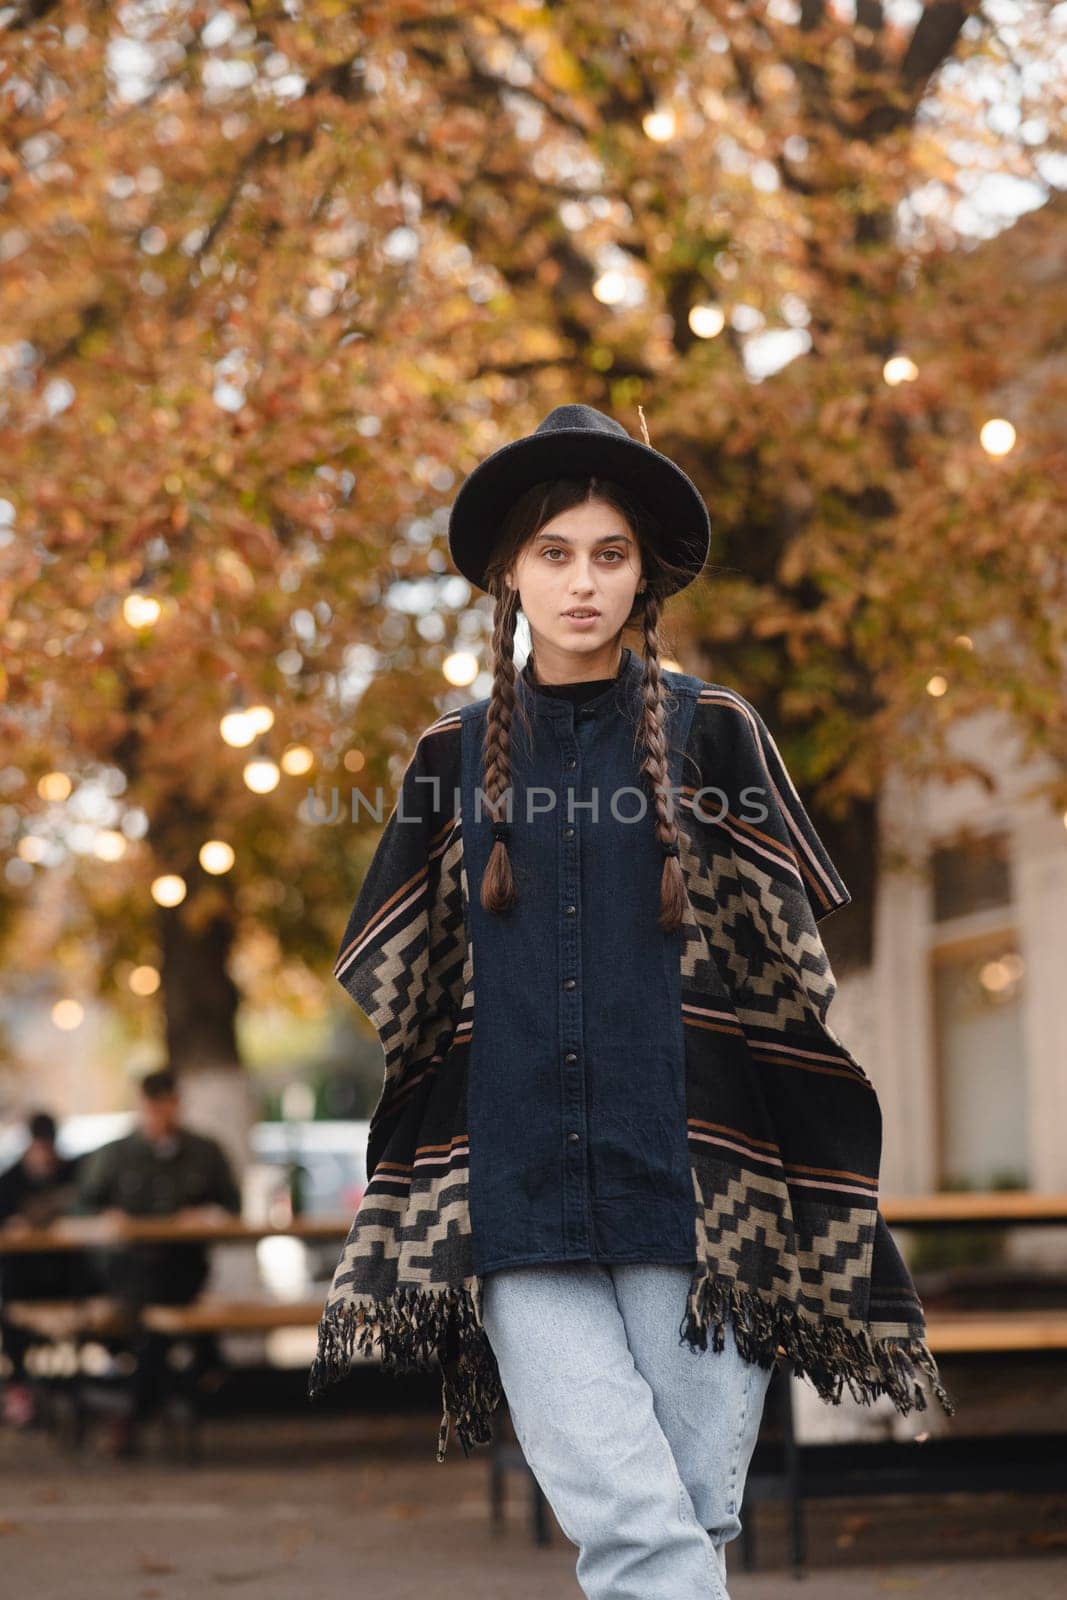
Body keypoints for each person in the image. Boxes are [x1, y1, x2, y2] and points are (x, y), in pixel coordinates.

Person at [310, 404, 955, 1600]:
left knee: (687, 1520)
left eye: (608, 555)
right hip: (512, 1201)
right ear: (509, 570)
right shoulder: (448, 756)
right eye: (554, 554)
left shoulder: (715, 732)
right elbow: (408, 986)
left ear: (642, 573)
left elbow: (788, 973)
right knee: (639, 1532)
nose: (581, 582)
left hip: (701, 1200)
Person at [74, 1068, 242, 1452]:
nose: (158, 1115)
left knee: (158, 1320)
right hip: (127, 1267)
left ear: (176, 1104)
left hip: (183, 1268)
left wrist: (205, 1214)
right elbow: (82, 1205)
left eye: (165, 1105)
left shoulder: (204, 1150)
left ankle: (130, 1414)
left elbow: (233, 1205)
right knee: (160, 1318)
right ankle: (207, 1363)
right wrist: (108, 1218)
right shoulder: (116, 1155)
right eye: (151, 1107)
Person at [0, 1111, 84, 1428]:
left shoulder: (73, 1172)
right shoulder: (10, 1181)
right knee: (11, 1306)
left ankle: (93, 1393)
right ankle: (18, 1386)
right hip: (24, 1278)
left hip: (65, 1276)